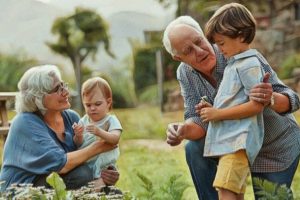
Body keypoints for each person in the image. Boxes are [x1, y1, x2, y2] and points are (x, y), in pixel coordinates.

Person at [162, 15, 300, 199]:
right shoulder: (185, 73)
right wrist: (183, 130)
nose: (200, 51)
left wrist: (270, 98)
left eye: (199, 41)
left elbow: (292, 99)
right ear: (178, 57)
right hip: (233, 145)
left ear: (204, 35)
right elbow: (198, 120)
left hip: (273, 145)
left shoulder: (237, 51)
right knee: (193, 148)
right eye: (189, 50)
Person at [0, 65, 119, 192]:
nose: (66, 92)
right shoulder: (25, 123)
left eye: (63, 85)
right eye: (58, 89)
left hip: (57, 182)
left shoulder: (71, 117)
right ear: (38, 98)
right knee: (81, 175)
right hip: (21, 190)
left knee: (114, 193)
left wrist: (106, 172)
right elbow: (61, 164)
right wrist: (100, 146)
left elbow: (84, 154)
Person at [195, 3, 265, 199]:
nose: (219, 48)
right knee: (233, 192)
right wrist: (212, 108)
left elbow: (256, 105)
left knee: (225, 191)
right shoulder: (234, 64)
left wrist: (218, 114)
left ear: (241, 36)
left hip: (238, 143)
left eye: (222, 42)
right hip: (230, 143)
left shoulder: (248, 64)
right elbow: (235, 101)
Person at [73, 77, 122, 190]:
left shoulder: (110, 120)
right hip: (86, 162)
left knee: (98, 188)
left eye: (97, 104)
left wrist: (99, 132)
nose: (93, 108)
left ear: (108, 102)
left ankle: (100, 187)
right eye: (88, 105)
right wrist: (78, 135)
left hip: (103, 165)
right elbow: (78, 144)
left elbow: (115, 139)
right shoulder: (83, 120)